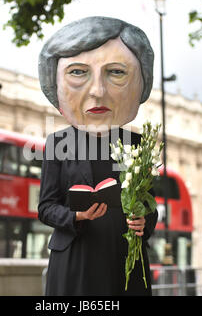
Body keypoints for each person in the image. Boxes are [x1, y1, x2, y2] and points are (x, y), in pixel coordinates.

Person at [38, 16, 158, 296]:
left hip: (123, 257)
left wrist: (144, 221)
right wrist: (76, 215)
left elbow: (150, 204)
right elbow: (45, 207)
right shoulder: (58, 142)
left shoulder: (139, 144)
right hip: (76, 258)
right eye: (78, 72)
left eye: (116, 72)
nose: (98, 91)